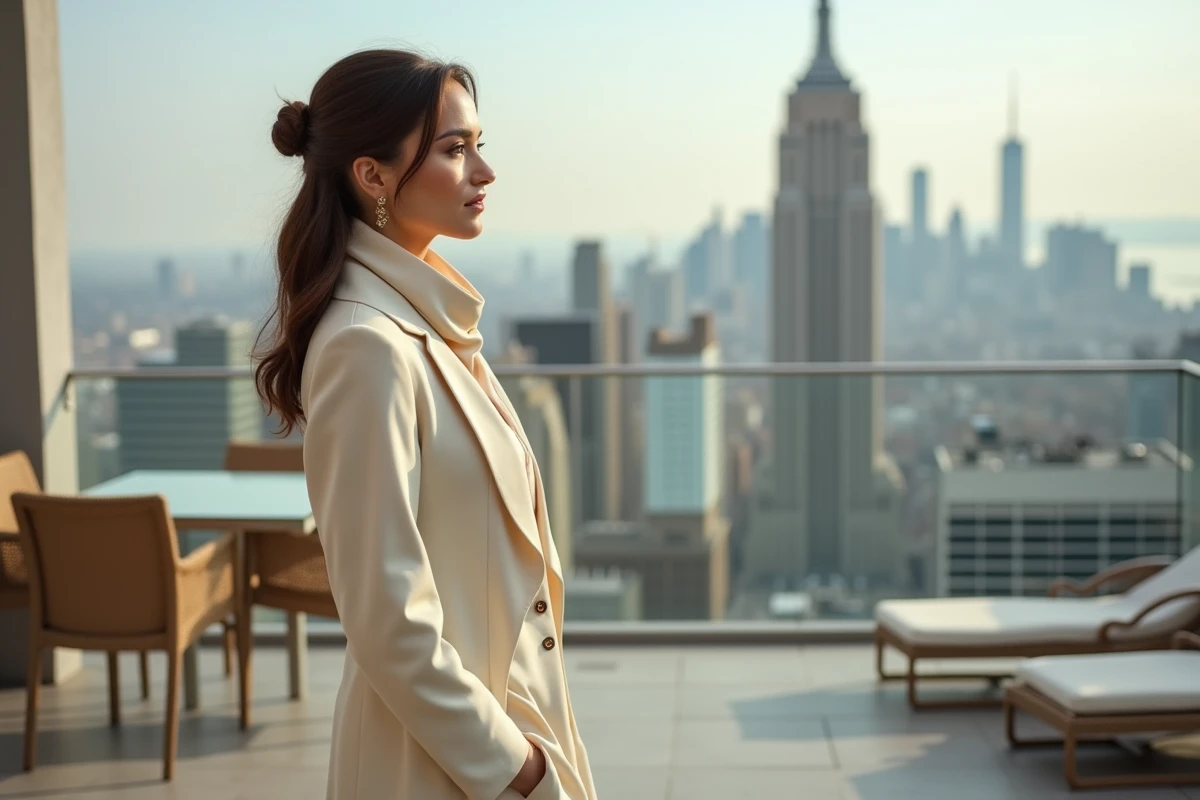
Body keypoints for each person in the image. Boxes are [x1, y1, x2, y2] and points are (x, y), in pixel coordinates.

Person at [254, 49, 597, 800]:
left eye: (477, 143)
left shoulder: (428, 325)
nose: (483, 170)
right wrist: (519, 771)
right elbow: (386, 618)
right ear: (372, 176)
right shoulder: (365, 346)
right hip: (438, 768)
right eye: (453, 149)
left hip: (486, 748)